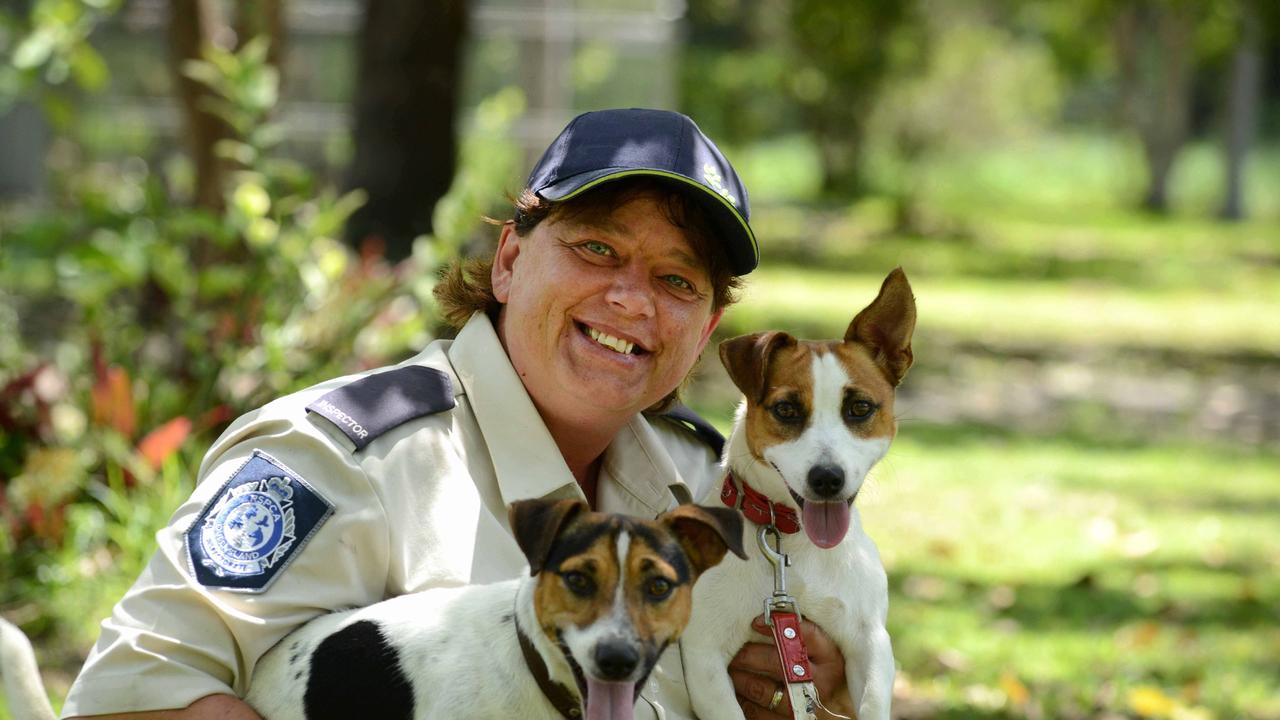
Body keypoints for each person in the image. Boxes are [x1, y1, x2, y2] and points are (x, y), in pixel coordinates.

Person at [63, 108, 852, 719]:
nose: (632, 299)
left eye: (679, 281)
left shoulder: (706, 484)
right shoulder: (343, 457)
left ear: (706, 329)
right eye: (597, 250)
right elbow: (139, 691)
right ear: (509, 260)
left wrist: (818, 680)